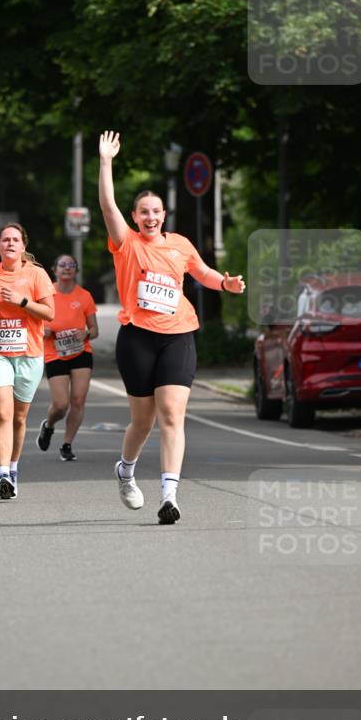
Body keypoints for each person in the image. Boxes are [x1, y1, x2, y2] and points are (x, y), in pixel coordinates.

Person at [98, 129, 246, 524]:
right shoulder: (126, 243)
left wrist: (226, 284)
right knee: (142, 421)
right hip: (137, 339)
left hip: (178, 334)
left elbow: (204, 273)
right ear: (135, 217)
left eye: (156, 211)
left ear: (164, 215)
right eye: (143, 211)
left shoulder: (180, 244)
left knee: (172, 414)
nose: (150, 217)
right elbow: (107, 205)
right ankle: (126, 470)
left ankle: (169, 496)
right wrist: (106, 161)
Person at [0, 223, 55, 499]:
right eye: (5, 240)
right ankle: (3, 473)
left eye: (15, 240)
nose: (10, 244)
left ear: (23, 246)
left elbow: (49, 314)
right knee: (3, 414)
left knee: (19, 418)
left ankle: (14, 468)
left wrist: (23, 301)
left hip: (29, 354)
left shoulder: (37, 275)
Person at [36, 254, 98, 461]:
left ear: (76, 271)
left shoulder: (84, 296)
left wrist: (87, 333)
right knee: (61, 404)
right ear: (55, 270)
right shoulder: (46, 294)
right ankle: (49, 425)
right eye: (62, 265)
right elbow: (32, 322)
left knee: (78, 400)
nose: (67, 269)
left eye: (71, 266)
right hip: (54, 352)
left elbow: (94, 329)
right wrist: (41, 331)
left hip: (80, 352)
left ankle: (67, 444)